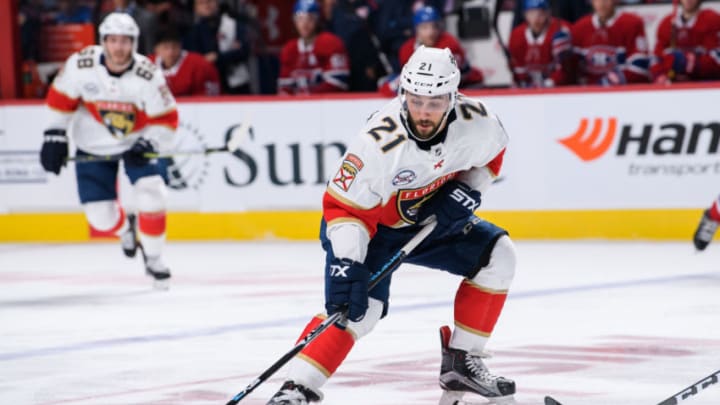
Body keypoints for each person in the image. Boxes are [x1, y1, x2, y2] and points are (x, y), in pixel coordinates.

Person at [266, 46, 517, 405]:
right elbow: (343, 208)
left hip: (428, 222)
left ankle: (463, 360)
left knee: (499, 257)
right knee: (359, 310)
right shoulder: (378, 145)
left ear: (453, 97)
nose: (424, 112)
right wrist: (347, 263)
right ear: (403, 94)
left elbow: (492, 154)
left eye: (434, 102)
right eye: (416, 100)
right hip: (368, 230)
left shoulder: (477, 121)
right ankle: (295, 389)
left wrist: (467, 191)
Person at [40, 12, 178, 288]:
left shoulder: (148, 75)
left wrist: (149, 142)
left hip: (135, 142)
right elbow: (59, 100)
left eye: (125, 41)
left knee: (152, 194)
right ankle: (126, 229)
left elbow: (167, 120)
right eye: (113, 41)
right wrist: (54, 134)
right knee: (100, 218)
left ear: (135, 43)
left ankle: (153, 258)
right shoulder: (81, 65)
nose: (119, 47)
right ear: (103, 41)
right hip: (92, 142)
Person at [399, 5, 484, 87]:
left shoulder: (449, 43)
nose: (430, 32)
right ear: (416, 29)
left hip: (464, 84)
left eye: (434, 26)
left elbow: (448, 77)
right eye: (424, 27)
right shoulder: (407, 49)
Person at [569, 0, 651, 85]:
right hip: (589, 93)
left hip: (624, 93)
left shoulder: (632, 24)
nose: (602, 3)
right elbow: (571, 69)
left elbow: (640, 66)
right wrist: (565, 58)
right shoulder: (580, 27)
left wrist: (610, 81)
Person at [278, 0, 350, 95]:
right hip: (299, 105)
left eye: (310, 18)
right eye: (300, 18)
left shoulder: (331, 43)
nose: (304, 24)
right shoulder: (290, 49)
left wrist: (309, 97)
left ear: (318, 20)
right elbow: (285, 87)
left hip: (327, 105)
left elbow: (338, 82)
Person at [184, 0, 252, 94]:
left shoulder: (234, 25)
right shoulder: (192, 32)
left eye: (209, 1)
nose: (206, 6)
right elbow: (192, 59)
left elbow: (244, 51)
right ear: (195, 9)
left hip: (236, 84)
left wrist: (217, 57)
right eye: (201, 3)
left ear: (217, 3)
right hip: (207, 83)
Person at [652, 0, 720, 83]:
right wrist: (660, 75)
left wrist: (691, 63)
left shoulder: (712, 20)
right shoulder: (667, 23)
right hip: (674, 84)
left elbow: (717, 59)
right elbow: (656, 57)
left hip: (704, 84)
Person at [508, 0, 573, 87]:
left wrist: (548, 83)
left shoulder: (561, 30)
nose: (536, 18)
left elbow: (565, 69)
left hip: (555, 88)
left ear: (548, 13)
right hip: (529, 86)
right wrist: (522, 84)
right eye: (532, 13)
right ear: (525, 14)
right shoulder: (517, 35)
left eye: (541, 13)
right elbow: (517, 69)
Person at [150, 28, 221, 96]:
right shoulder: (147, 64)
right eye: (165, 47)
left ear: (180, 46)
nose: (170, 52)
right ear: (156, 49)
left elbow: (209, 97)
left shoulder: (198, 64)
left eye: (174, 47)